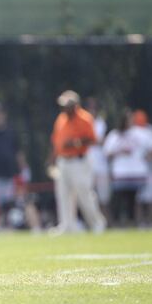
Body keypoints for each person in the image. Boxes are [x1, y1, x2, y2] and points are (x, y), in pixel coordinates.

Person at [49, 90, 106, 234]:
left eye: (68, 105)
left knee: (84, 192)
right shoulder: (61, 119)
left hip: (79, 160)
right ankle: (67, 225)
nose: (65, 109)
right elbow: (56, 142)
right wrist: (52, 160)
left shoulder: (85, 118)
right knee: (63, 194)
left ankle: (96, 223)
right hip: (63, 161)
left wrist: (75, 143)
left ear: (75, 105)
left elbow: (92, 139)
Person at [103, 109, 152, 227]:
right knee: (120, 199)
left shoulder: (142, 133)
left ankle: (137, 222)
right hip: (120, 173)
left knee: (136, 200)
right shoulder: (115, 135)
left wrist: (148, 157)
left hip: (137, 172)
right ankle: (118, 222)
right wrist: (119, 151)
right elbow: (107, 152)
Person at [132, 110, 152, 227]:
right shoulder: (131, 132)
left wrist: (151, 155)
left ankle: (151, 222)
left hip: (151, 170)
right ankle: (140, 223)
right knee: (138, 199)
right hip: (135, 171)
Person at [85, 97, 111, 221]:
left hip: (101, 165)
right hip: (87, 165)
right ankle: (93, 221)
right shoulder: (84, 122)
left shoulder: (102, 123)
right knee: (89, 196)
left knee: (104, 197)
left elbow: (104, 141)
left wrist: (91, 141)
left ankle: (106, 220)